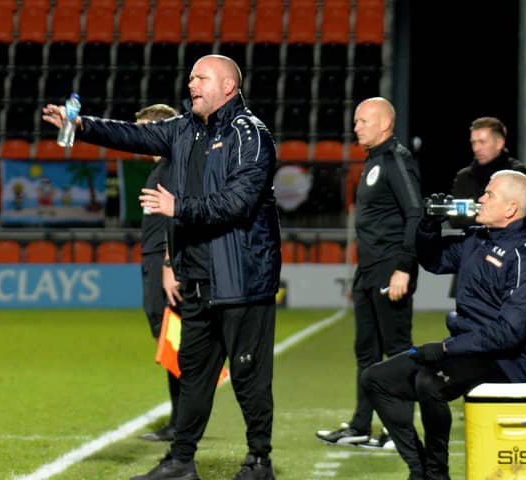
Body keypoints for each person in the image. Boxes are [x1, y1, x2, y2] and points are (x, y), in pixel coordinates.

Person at [43, 54, 281, 480]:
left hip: (242, 280)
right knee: (192, 374)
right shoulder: (184, 129)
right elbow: (132, 135)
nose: (191, 84)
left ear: (228, 85)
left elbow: (240, 202)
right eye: (190, 77)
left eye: (201, 78)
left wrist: (178, 206)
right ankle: (180, 461)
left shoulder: (252, 134)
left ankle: (258, 461)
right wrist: (81, 126)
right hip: (197, 279)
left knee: (249, 378)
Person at [361, 170, 526, 480]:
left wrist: (443, 348)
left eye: (489, 194)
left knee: (430, 383)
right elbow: (435, 260)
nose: (480, 198)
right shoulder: (478, 238)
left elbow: (509, 333)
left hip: (508, 360)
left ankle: (436, 474)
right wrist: (428, 225)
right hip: (467, 348)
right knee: (376, 378)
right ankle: (421, 469)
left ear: (510, 209)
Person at [316, 97, 422, 448]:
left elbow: (415, 215)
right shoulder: (374, 161)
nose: (356, 126)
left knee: (397, 350)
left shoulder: (396, 159)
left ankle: (399, 430)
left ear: (384, 124)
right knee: (367, 353)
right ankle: (362, 425)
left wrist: (403, 269)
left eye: (363, 120)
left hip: (390, 269)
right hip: (369, 270)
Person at [135, 103, 181, 443]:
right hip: (154, 259)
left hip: (163, 263)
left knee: (174, 343)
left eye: (143, 129)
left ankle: (182, 423)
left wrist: (168, 263)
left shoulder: (172, 168)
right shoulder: (164, 166)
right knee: (170, 343)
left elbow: (176, 219)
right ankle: (181, 420)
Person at [450, 116, 526, 230]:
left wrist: (475, 215)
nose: (476, 148)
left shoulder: (517, 174)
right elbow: (456, 219)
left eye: (482, 142)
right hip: (469, 244)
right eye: (473, 143)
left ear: (499, 143)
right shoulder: (464, 177)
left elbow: (516, 218)